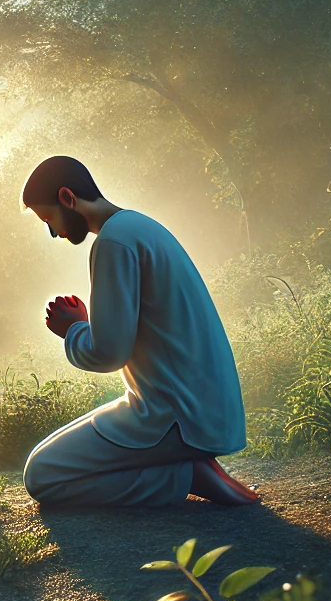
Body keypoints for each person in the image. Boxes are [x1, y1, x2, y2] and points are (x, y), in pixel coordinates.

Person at [20, 155, 260, 508]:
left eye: (49, 219)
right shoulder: (137, 227)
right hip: (196, 408)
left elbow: (109, 353)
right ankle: (184, 464)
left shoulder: (114, 243)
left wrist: (72, 328)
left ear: (68, 199)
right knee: (42, 455)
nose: (54, 232)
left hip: (177, 416)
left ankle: (184, 474)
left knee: (42, 475)